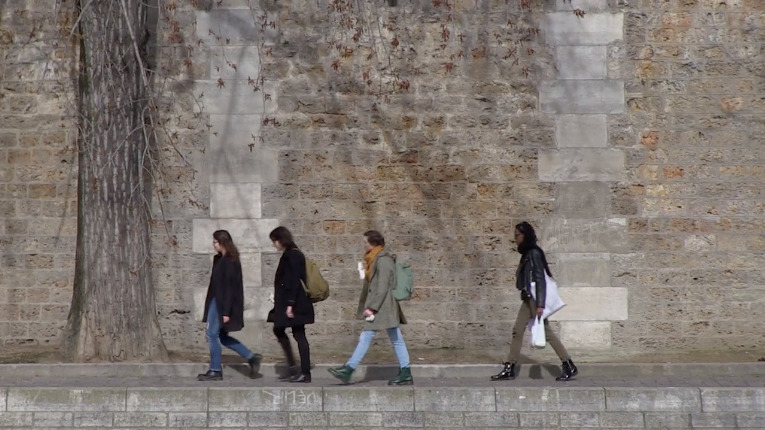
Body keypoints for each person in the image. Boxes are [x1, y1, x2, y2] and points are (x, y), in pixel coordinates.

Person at [491, 221, 578, 382]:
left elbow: (540, 279)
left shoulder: (533, 253)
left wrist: (540, 304)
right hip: (528, 298)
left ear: (525, 235)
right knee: (518, 330)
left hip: (534, 299)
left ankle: (568, 364)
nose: (515, 238)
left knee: (546, 332)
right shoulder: (527, 253)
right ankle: (510, 367)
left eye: (517, 235)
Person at [328, 230, 413, 386]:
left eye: (365, 242)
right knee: (392, 338)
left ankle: (349, 369)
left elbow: (383, 286)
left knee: (372, 336)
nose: (363, 245)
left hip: (383, 306)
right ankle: (405, 372)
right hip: (382, 306)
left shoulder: (383, 260)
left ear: (373, 243)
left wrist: (372, 308)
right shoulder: (374, 259)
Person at [198, 230, 261, 381]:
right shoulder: (220, 259)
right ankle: (251, 357)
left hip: (221, 304)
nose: (213, 245)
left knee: (211, 335)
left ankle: (215, 370)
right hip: (215, 300)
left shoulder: (230, 262)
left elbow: (230, 289)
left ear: (223, 242)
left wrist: (226, 312)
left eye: (215, 242)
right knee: (221, 336)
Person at [269, 226, 314, 383]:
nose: (274, 244)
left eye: (274, 241)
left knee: (299, 334)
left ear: (280, 240)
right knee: (280, 329)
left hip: (295, 304)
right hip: (290, 302)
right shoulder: (290, 253)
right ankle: (295, 368)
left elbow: (294, 281)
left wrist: (290, 304)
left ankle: (304, 372)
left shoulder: (293, 255)